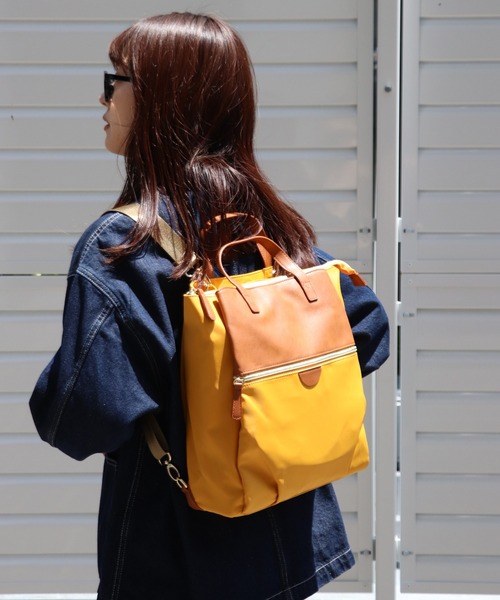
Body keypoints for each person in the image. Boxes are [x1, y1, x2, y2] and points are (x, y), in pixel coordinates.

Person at [29, 12, 389, 600]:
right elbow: (368, 326)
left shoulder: (123, 245)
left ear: (162, 98)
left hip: (176, 556)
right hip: (287, 545)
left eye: (115, 80)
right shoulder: (268, 226)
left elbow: (79, 417)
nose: (103, 97)